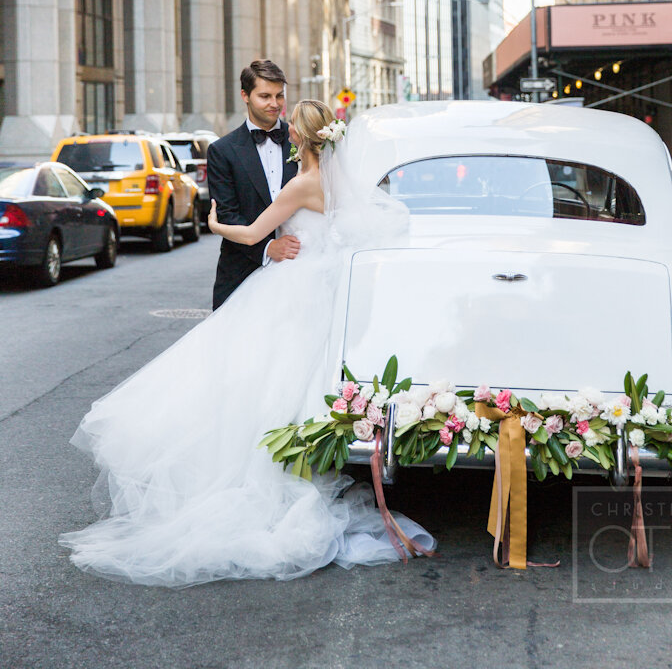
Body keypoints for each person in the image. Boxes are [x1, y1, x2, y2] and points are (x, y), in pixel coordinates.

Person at [59, 100, 434, 586]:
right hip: (321, 289)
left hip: (291, 289)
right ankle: (295, 464)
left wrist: (214, 224)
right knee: (292, 386)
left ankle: (256, 476)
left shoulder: (302, 183)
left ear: (301, 138)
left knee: (250, 381)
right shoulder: (345, 187)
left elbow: (255, 231)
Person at [207, 59, 300, 310]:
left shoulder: (302, 142)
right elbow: (227, 214)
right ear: (245, 96)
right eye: (265, 96)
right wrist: (269, 247)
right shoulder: (221, 151)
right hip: (242, 271)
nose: (274, 104)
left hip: (301, 267)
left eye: (279, 95)